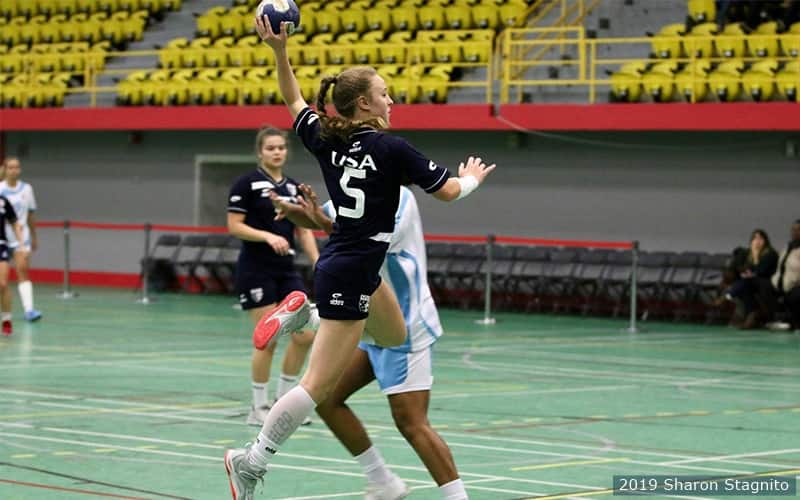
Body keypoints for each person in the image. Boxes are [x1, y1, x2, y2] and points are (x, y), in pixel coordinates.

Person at [224, 14, 495, 500]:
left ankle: (304, 314)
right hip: (350, 271)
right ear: (365, 102)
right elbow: (451, 191)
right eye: (385, 93)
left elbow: (293, 99)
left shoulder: (328, 138)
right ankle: (252, 459)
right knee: (315, 388)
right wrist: (473, 176)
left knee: (394, 335)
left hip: (352, 267)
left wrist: (280, 52)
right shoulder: (393, 148)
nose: (392, 100)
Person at [275, 183, 468, 499]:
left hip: (405, 323)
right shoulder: (353, 189)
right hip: (372, 319)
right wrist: (298, 214)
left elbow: (366, 242)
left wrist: (321, 223)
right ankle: (383, 481)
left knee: (411, 422)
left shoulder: (400, 198)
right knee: (327, 398)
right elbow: (323, 219)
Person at [227, 127, 319, 427]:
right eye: (270, 148)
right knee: (267, 341)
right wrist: (267, 236)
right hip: (255, 269)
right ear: (260, 152)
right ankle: (258, 407)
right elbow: (235, 226)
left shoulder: (293, 187)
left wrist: (320, 262)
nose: (277, 152)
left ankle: (284, 403)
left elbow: (303, 229)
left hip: (286, 270)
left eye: (281, 147)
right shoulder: (246, 184)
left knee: (305, 335)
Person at [0, 157, 42, 325]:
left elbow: (31, 214)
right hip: (2, 238)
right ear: (5, 169)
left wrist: (33, 236)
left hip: (20, 238)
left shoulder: (27, 189)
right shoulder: (0, 189)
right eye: (10, 167)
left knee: (23, 270)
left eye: (17, 167)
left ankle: (29, 309)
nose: (14, 170)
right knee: (2, 281)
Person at [718, 229, 778, 329]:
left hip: (766, 283)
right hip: (750, 282)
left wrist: (755, 257)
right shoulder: (748, 254)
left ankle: (727, 296)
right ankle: (751, 315)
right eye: (755, 238)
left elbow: (761, 271)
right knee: (745, 287)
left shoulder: (770, 254)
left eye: (760, 238)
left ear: (765, 240)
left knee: (746, 283)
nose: (757, 241)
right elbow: (745, 269)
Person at [764, 220, 800, 331]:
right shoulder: (787, 247)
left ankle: (796, 323)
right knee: (761, 285)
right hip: (779, 283)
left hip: (795, 285)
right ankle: (775, 319)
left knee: (795, 294)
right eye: (793, 230)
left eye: (798, 230)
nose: (795, 232)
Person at [0, 190, 25, 336]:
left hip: (1, 244)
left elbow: (15, 223)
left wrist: (21, 244)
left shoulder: (3, 201)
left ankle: (7, 319)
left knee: (3, 284)